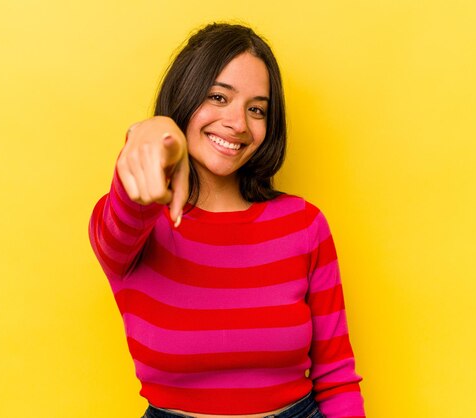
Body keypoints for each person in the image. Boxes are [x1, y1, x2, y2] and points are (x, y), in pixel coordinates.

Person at [89, 23, 365, 418]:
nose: (238, 124)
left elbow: (337, 377)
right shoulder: (137, 227)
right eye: (218, 97)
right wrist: (153, 131)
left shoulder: (304, 225)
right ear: (184, 97)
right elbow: (129, 203)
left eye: (256, 109)